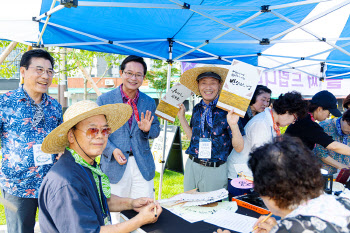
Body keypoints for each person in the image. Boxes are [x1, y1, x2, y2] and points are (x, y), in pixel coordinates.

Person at [39, 100, 162, 233]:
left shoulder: (85, 164)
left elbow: (99, 200)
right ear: (71, 136)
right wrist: (140, 220)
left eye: (105, 130)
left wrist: (131, 203)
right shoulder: (67, 183)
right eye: (92, 130)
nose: (100, 136)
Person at [0, 49, 63, 233]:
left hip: (51, 184)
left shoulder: (55, 106)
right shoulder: (5, 103)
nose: (45, 76)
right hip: (17, 186)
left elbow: (60, 141)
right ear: (23, 71)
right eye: (39, 70)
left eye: (49, 71)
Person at [97, 55, 160, 199]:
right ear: (121, 73)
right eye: (129, 73)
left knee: (144, 209)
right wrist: (112, 150)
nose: (133, 78)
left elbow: (156, 130)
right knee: (115, 212)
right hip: (114, 164)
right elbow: (97, 132)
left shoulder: (148, 101)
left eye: (138, 75)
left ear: (143, 77)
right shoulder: (105, 100)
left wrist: (147, 130)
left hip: (142, 164)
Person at [178, 66, 244, 192]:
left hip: (215, 169)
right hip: (192, 164)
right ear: (198, 86)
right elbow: (193, 138)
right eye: (203, 83)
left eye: (213, 83)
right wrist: (181, 117)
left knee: (211, 208)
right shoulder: (197, 108)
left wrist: (234, 125)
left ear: (219, 85)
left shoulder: (229, 110)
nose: (208, 87)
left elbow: (239, 147)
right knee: (189, 206)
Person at [227, 91, 308, 181]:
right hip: (242, 176)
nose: (292, 122)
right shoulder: (261, 123)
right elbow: (262, 157)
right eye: (295, 118)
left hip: (250, 173)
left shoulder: (271, 122)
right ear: (287, 111)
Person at [286, 90, 350, 156]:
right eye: (329, 113)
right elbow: (334, 146)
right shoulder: (308, 124)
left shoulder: (304, 117)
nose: (328, 116)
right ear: (319, 109)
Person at [314, 109, 350, 174]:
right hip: (323, 173)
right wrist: (342, 166)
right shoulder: (324, 126)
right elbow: (321, 153)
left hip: (344, 174)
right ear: (344, 119)